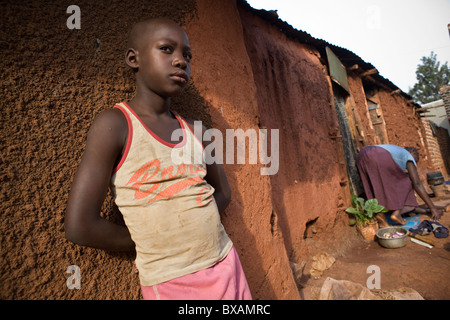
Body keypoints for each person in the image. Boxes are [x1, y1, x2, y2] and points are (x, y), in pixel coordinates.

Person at [65, 18, 252, 300]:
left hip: (226, 264)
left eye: (187, 55)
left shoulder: (199, 131)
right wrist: (153, 239)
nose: (180, 61)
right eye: (167, 49)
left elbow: (223, 192)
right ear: (133, 58)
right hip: (171, 282)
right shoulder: (115, 126)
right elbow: (80, 225)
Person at [356, 144, 444, 227]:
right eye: (415, 162)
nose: (409, 167)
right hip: (379, 155)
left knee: (373, 187)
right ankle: (397, 213)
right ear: (414, 157)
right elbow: (417, 184)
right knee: (408, 179)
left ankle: (381, 218)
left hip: (361, 155)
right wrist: (433, 208)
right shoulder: (409, 157)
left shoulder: (395, 153)